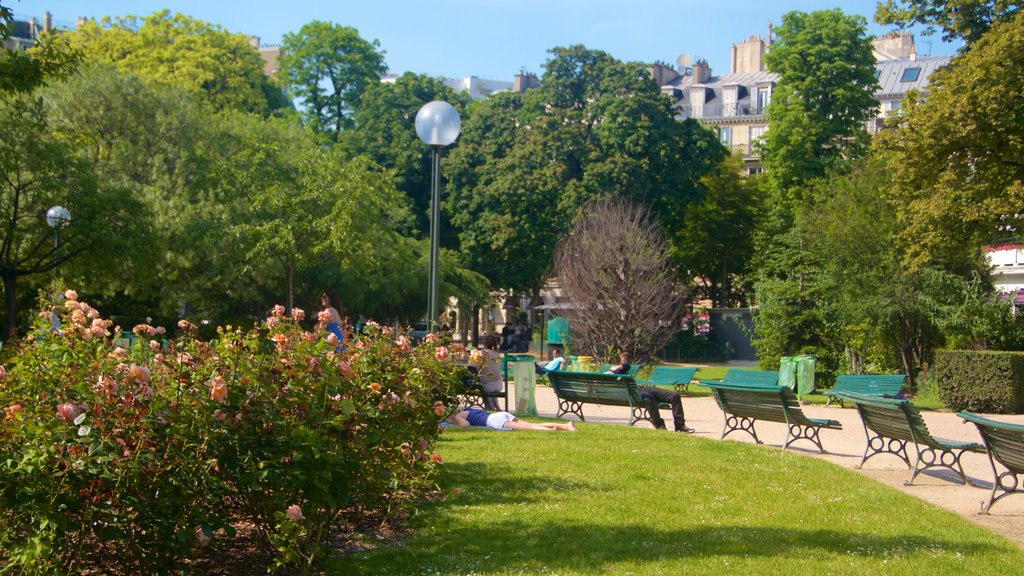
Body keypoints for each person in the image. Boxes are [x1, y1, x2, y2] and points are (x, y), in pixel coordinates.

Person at [608, 352, 694, 434]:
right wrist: (616, 368)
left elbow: (622, 368)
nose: (623, 359)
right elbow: (620, 369)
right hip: (635, 392)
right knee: (649, 398)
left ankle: (679, 426)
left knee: (674, 395)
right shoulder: (613, 372)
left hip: (640, 389)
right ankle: (660, 426)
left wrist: (615, 368)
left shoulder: (614, 369)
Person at [447, 407, 576, 431]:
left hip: (494, 421)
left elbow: (465, 425)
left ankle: (554, 430)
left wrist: (454, 419)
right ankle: (566, 425)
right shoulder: (469, 409)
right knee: (532, 423)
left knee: (530, 427)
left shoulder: (459, 415)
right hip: (499, 415)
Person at [476, 333, 503, 410]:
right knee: (490, 385)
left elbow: (478, 367)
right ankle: (497, 406)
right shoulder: (497, 354)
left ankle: (491, 407)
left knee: (483, 384)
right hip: (498, 384)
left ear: (485, 343)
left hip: (487, 385)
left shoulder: (484, 352)